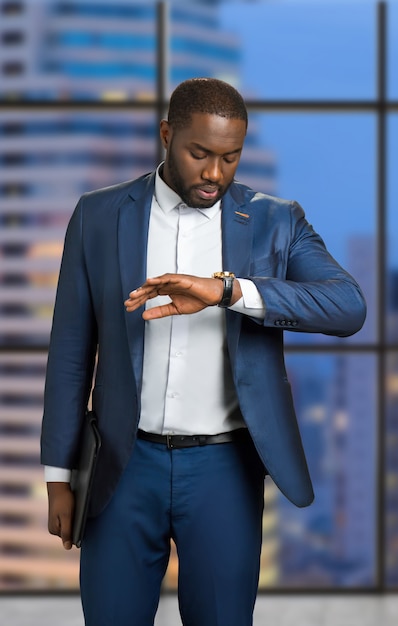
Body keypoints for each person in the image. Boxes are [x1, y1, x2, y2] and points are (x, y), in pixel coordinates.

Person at [41, 77, 366, 625]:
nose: (215, 173)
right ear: (166, 134)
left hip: (225, 469)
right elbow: (71, 351)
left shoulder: (276, 221)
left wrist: (228, 291)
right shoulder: (97, 215)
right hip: (122, 466)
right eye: (200, 154)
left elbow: (348, 306)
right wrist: (58, 475)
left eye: (230, 157)